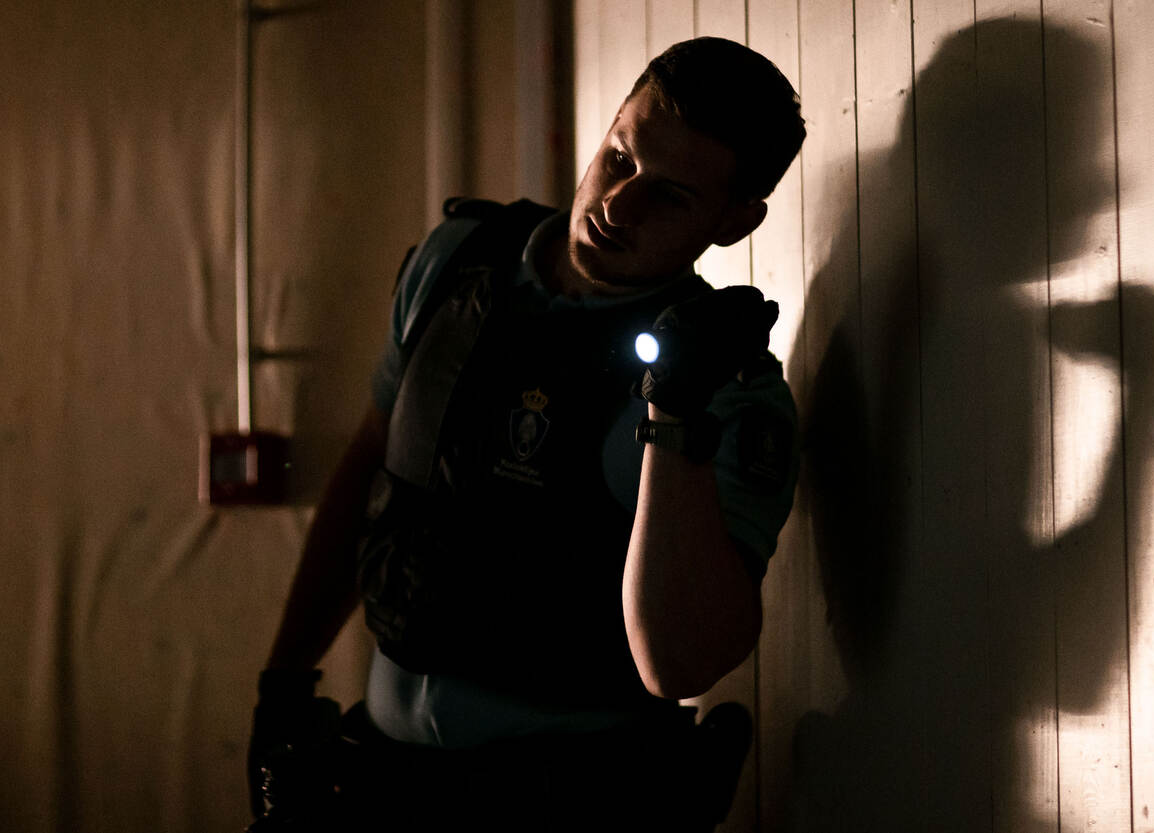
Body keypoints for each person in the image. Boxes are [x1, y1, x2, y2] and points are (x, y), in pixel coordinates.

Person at [249, 36, 806, 831]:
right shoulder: (457, 262)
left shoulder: (726, 389)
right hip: (382, 775)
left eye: (671, 196)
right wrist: (283, 681)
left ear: (735, 220)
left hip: (567, 800)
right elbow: (373, 468)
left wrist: (677, 414)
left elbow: (678, 664)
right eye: (620, 159)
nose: (618, 207)